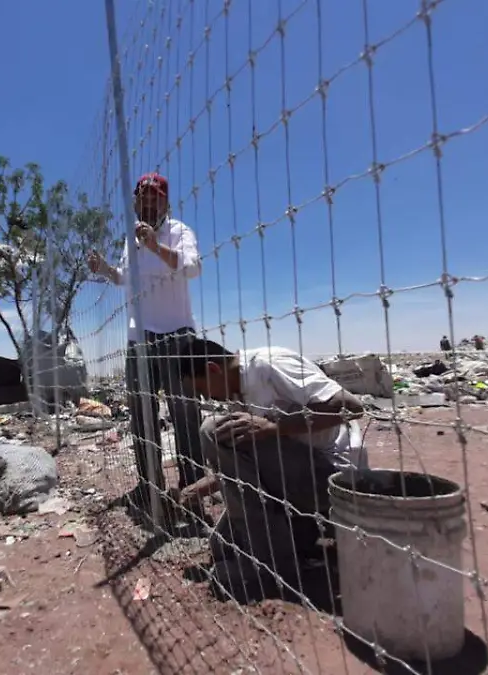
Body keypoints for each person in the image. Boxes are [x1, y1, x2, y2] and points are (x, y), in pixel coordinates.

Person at [169, 335, 367, 594]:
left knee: (212, 429)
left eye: (204, 390)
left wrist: (274, 427)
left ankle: (272, 567)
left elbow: (351, 406)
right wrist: (197, 490)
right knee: (222, 546)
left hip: (334, 480)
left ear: (212, 369)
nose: (208, 397)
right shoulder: (238, 393)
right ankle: (300, 541)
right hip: (298, 482)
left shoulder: (268, 365)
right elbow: (245, 466)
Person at [88, 172, 206, 518]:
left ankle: (193, 486)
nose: (149, 204)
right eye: (144, 199)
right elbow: (126, 278)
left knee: (185, 413)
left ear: (166, 203)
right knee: (141, 415)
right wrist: (106, 269)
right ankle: (149, 485)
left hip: (178, 334)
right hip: (139, 337)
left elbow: (192, 268)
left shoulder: (180, 231)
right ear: (136, 203)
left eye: (156, 199)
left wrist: (157, 246)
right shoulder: (131, 239)